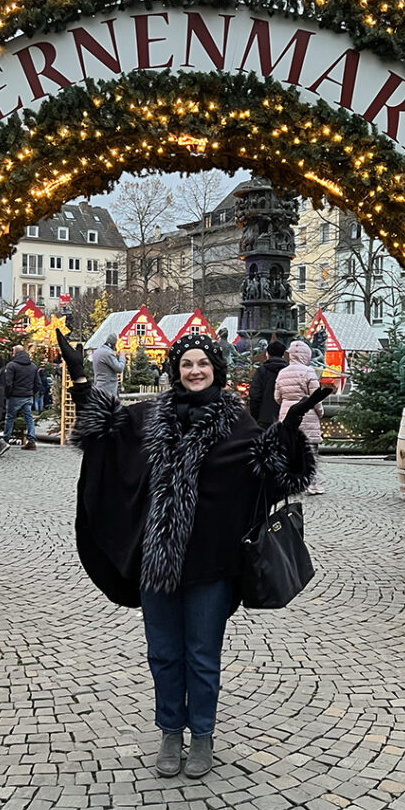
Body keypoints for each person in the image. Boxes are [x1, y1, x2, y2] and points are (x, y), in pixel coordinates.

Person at [57, 328, 330, 780]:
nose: (195, 370)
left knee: (202, 654)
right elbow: (105, 438)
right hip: (157, 562)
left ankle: (201, 734)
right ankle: (170, 731)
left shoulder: (237, 422)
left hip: (212, 564)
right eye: (186, 364)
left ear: (215, 369)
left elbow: (271, 476)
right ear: (176, 371)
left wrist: (287, 432)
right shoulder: (148, 417)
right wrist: (82, 381)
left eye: (202, 363)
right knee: (163, 652)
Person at [275, 340, 326, 495]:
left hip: (287, 415)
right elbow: (315, 398)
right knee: (310, 452)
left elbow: (277, 397)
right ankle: (311, 484)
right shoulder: (309, 372)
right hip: (307, 414)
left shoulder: (282, 373)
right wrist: (320, 412)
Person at [2, 345, 41, 451]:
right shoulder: (32, 366)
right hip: (28, 396)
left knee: (10, 418)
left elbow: (8, 383)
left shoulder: (12, 365)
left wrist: (8, 394)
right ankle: (31, 440)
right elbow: (38, 383)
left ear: (15, 353)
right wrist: (31, 392)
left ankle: (5, 440)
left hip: (15, 396)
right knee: (29, 418)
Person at [248, 341, 287, 429]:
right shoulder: (289, 371)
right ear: (283, 354)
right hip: (285, 416)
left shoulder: (262, 371)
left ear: (268, 354)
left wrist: (255, 416)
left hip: (265, 417)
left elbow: (255, 395)